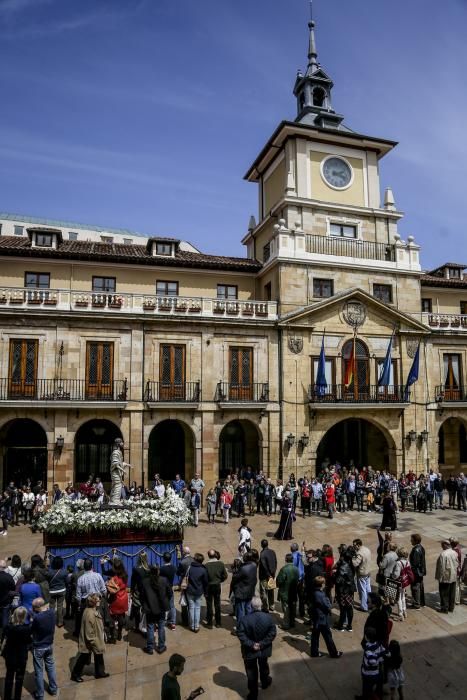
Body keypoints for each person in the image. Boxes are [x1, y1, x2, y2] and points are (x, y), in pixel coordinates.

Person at [236, 596, 276, 700]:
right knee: (263, 666)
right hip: (264, 650)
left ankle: (253, 694)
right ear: (261, 605)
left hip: (250, 651)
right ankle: (265, 682)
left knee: (251, 673)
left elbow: (240, 634)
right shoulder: (268, 617)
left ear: (251, 606)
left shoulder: (244, 620)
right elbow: (272, 633)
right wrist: (261, 644)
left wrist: (252, 644)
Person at [71, 593, 109, 681]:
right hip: (91, 641)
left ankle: (100, 672)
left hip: (95, 639)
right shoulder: (90, 614)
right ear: (95, 602)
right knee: (83, 657)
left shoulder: (91, 610)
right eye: (98, 600)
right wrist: (94, 642)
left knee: (99, 656)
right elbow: (89, 632)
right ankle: (75, 674)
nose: (100, 601)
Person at [31, 597, 58, 700]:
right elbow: (48, 608)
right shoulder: (51, 613)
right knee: (51, 667)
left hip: (39, 647)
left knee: (39, 671)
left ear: (37, 607)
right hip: (49, 645)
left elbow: (32, 629)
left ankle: (40, 694)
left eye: (34, 608)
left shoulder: (37, 618)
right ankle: (53, 689)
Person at [140, 565, 171, 654]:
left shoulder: (145, 581)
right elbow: (170, 593)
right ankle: (161, 647)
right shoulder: (163, 580)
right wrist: (166, 602)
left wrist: (144, 605)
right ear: (158, 571)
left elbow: (142, 596)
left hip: (150, 608)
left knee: (150, 627)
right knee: (161, 626)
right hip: (161, 608)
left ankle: (150, 648)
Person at [2, 606, 32, 700]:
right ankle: (17, 697)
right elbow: (29, 641)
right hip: (21, 657)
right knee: (19, 679)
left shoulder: (8, 627)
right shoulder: (27, 629)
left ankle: (7, 697)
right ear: (24, 616)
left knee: (9, 678)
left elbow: (4, 637)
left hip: (10, 657)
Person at [309, 576, 343, 659]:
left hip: (316, 617)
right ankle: (334, 653)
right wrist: (328, 601)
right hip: (322, 618)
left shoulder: (314, 592)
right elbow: (328, 605)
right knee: (327, 636)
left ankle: (314, 652)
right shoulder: (320, 595)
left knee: (315, 636)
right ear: (321, 584)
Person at [75, 559, 107, 636]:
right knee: (100, 619)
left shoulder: (80, 579)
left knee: (85, 621)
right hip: (97, 601)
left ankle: (85, 635)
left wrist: (79, 605)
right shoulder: (98, 575)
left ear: (83, 567)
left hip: (86, 603)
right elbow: (104, 590)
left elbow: (78, 596)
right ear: (92, 566)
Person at [355, 626, 388, 700]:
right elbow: (386, 653)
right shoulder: (379, 644)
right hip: (375, 672)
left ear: (367, 637)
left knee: (368, 690)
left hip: (368, 674)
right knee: (367, 689)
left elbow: (372, 661)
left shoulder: (368, 650)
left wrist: (376, 656)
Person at [102, 557, 128, 642]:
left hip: (115, 599)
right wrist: (110, 561)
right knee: (121, 616)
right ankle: (120, 633)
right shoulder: (125, 575)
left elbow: (110, 590)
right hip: (123, 597)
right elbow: (116, 566)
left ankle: (113, 636)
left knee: (112, 617)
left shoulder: (114, 579)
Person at [231, 551, 257, 630]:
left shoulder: (243, 568)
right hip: (250, 591)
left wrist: (235, 571)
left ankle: (240, 627)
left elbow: (235, 578)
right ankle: (249, 625)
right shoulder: (254, 565)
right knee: (248, 609)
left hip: (241, 592)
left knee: (241, 611)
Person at [334, 546, 355, 632]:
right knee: (349, 608)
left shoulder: (344, 566)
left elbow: (338, 580)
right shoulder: (351, 564)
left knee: (343, 608)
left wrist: (334, 575)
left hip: (343, 590)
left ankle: (340, 626)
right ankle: (349, 626)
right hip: (350, 590)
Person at [205, 549, 227, 628]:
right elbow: (225, 576)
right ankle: (218, 623)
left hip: (209, 586)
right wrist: (220, 580)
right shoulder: (220, 563)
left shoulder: (206, 565)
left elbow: (205, 578)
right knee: (217, 605)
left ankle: (210, 623)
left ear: (208, 556)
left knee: (209, 605)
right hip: (217, 586)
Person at [186, 553, 208, 633]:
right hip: (199, 591)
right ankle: (196, 626)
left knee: (191, 608)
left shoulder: (190, 568)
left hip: (190, 591)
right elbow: (205, 582)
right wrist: (206, 592)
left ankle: (192, 626)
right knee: (198, 608)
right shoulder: (203, 569)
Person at [276, 553, 299, 629]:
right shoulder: (296, 569)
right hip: (294, 592)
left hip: (285, 593)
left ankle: (286, 624)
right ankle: (292, 622)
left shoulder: (284, 569)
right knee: (293, 608)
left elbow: (279, 581)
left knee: (286, 609)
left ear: (286, 560)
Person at [435, 540, 459, 613]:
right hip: (453, 576)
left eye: (442, 545)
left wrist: (440, 578)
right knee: (452, 593)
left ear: (445, 545)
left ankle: (444, 608)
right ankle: (451, 608)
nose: (441, 546)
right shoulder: (454, 552)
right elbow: (457, 564)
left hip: (445, 577)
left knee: (444, 593)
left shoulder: (443, 554)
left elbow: (441, 568)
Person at [46, 556, 68, 628]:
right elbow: (67, 581)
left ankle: (51, 621)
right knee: (60, 606)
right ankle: (60, 622)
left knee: (51, 607)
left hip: (52, 591)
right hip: (61, 591)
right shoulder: (64, 572)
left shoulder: (49, 572)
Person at [352, 539, 372, 612]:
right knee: (368, 588)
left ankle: (364, 607)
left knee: (363, 590)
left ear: (358, 545)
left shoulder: (359, 553)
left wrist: (353, 557)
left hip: (362, 573)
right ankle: (370, 603)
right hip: (368, 571)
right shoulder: (367, 549)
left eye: (354, 545)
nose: (354, 547)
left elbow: (355, 563)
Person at [159, 552, 177, 630]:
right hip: (170, 588)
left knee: (162, 606)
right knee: (172, 606)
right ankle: (173, 623)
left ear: (163, 559)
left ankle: (162, 622)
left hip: (163, 589)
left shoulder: (161, 569)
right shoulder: (174, 568)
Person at [258, 539, 277, 612]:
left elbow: (264, 566)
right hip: (272, 575)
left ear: (261, 545)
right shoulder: (273, 552)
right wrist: (273, 573)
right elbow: (275, 562)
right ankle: (272, 605)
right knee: (271, 591)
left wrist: (268, 575)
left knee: (264, 592)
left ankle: (265, 607)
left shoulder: (262, 554)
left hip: (264, 577)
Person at [409, 533, 426, 609]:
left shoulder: (416, 550)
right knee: (420, 587)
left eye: (412, 540)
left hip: (416, 573)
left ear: (415, 541)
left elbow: (415, 564)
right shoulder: (421, 547)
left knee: (415, 588)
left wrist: (411, 572)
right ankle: (421, 602)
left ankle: (416, 604)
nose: (410, 541)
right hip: (421, 571)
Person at [0, 559, 16, 634]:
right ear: (5, 567)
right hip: (5, 601)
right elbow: (13, 587)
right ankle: (4, 633)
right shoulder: (8, 576)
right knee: (5, 618)